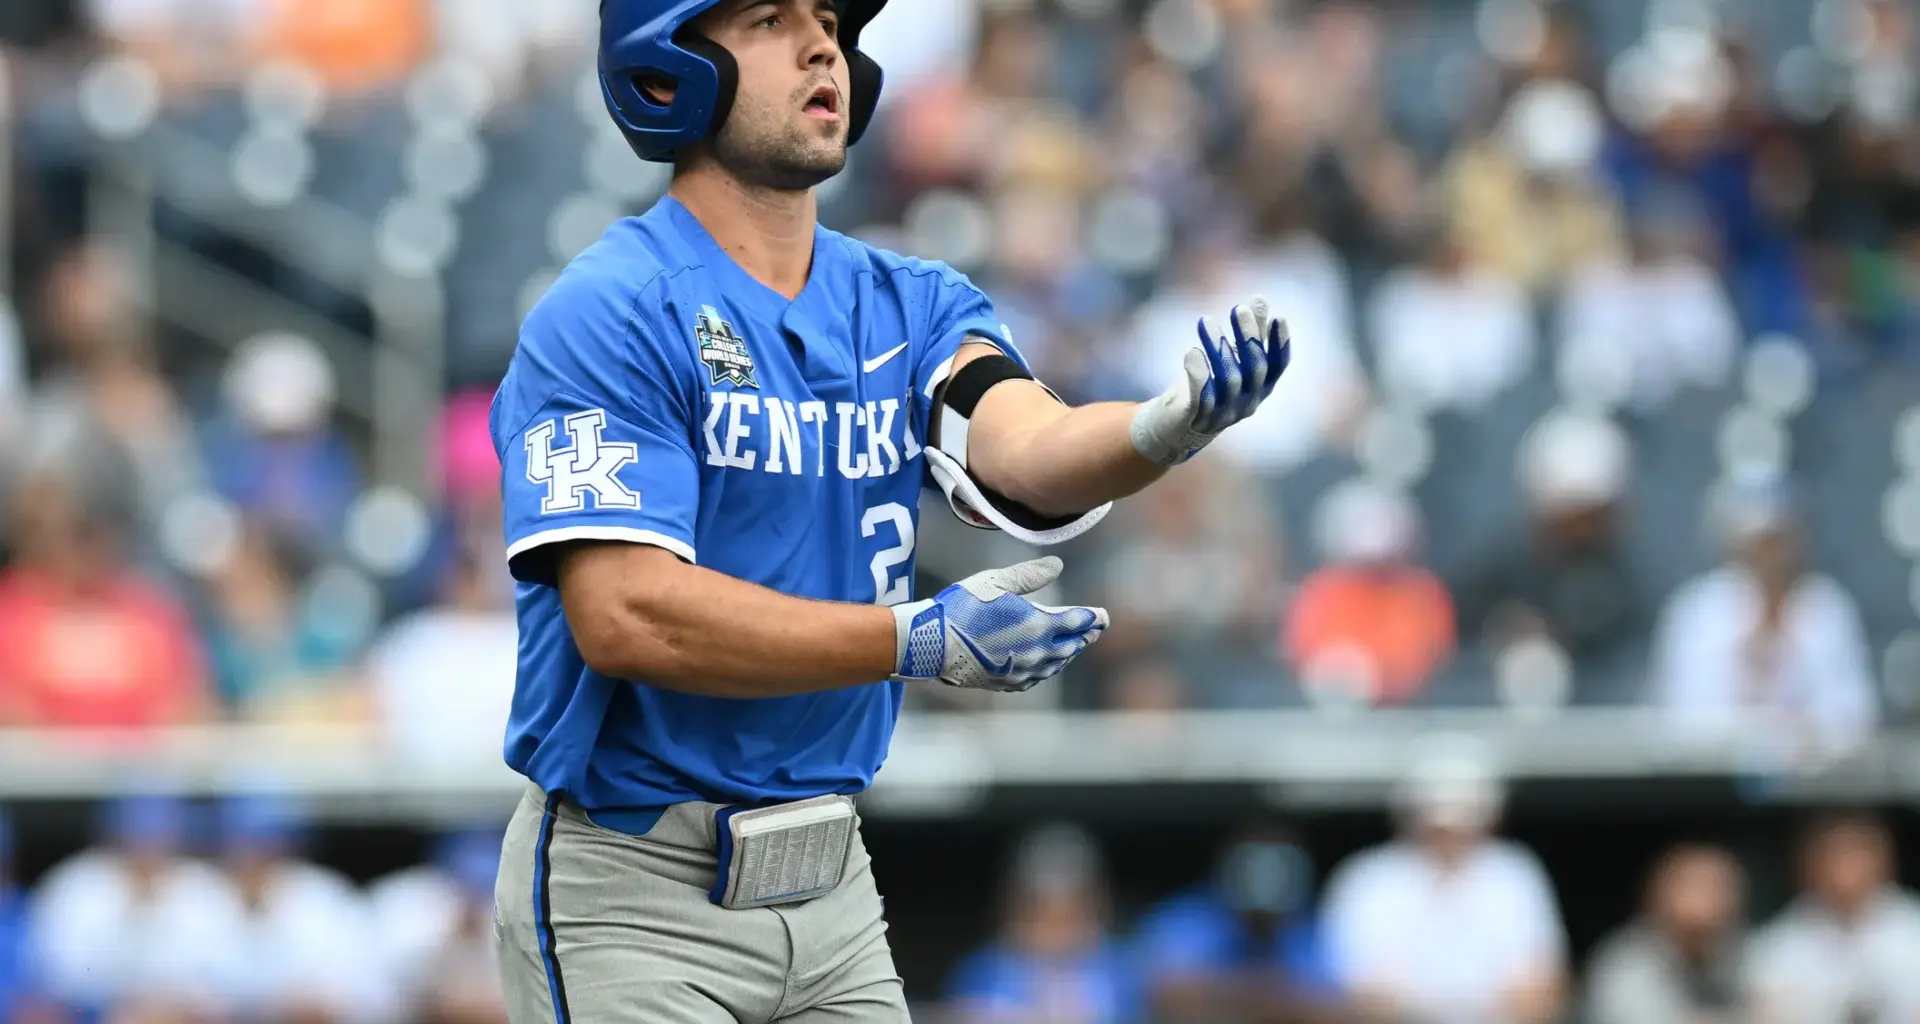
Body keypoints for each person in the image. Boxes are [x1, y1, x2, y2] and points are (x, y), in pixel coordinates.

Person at [489, 3, 1293, 1022]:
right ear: (667, 65)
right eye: (771, 18)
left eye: (827, 18)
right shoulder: (610, 307)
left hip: (832, 889)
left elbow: (1029, 451)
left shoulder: (907, 302)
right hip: (637, 893)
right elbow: (624, 614)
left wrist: (1160, 429)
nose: (823, 44)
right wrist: (909, 640)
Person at [1320, 746, 1567, 1024]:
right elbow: (1362, 995)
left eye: (1462, 823)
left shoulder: (1514, 874)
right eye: (1436, 825)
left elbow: (1540, 992)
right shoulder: (1369, 879)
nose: (1447, 838)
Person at [1650, 469, 1879, 758]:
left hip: (1810, 782)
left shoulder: (1826, 607)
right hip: (1710, 789)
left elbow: (1854, 718)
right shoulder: (1698, 610)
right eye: (1758, 541)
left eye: (1778, 539)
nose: (1770, 554)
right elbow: (1680, 722)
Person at [1132, 822, 1343, 1024]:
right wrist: (1275, 995)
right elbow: (1167, 991)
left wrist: (1231, 994)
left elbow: (1337, 1005)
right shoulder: (1186, 919)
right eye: (1254, 863)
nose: (1266, 877)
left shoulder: (1314, 928)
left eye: (1279, 865)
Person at [943, 824, 1139, 1024]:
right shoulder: (981, 972)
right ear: (1014, 908)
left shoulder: (1125, 971)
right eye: (1042, 914)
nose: (1058, 934)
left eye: (1070, 916)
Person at [1746, 812, 1920, 1024]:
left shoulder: (1913, 927)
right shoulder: (1777, 944)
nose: (1846, 870)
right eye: (1834, 857)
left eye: (1858, 856)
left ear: (1883, 862)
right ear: (1811, 867)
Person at [1585, 843, 1752, 1024]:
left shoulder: (1749, 953)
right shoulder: (1621, 964)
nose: (1707, 899)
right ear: (1658, 893)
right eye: (1694, 885)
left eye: (1720, 887)